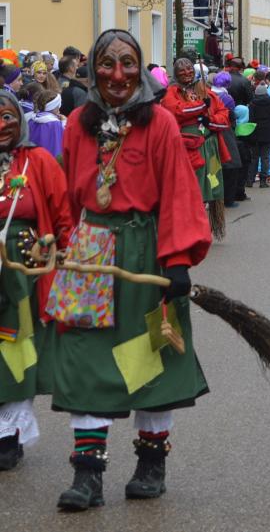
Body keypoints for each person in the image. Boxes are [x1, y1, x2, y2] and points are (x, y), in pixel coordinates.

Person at [52, 29, 210, 510]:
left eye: (127, 64)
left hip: (145, 249)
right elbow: (63, 190)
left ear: (140, 69)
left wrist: (178, 260)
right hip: (90, 251)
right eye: (106, 63)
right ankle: (87, 475)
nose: (116, 74)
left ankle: (150, 465)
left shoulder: (159, 123)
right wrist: (60, 244)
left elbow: (180, 191)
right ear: (91, 69)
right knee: (85, 357)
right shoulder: (78, 122)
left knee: (149, 358)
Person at [0, 89, 73, 472]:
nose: (1, 126)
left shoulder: (38, 162)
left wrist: (65, 255)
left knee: (16, 347)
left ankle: (7, 434)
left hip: (24, 276)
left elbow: (62, 215)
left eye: (8, 117)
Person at [161, 59, 231, 238]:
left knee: (212, 185)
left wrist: (211, 121)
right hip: (188, 148)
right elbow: (176, 111)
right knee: (192, 189)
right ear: (176, 74)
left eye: (189, 70)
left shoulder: (205, 91)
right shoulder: (171, 92)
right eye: (182, 71)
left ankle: (206, 225)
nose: (186, 73)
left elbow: (224, 115)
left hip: (210, 147)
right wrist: (200, 107)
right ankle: (189, 227)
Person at [246, 82, 270, 189]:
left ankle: (250, 180)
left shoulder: (252, 104)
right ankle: (263, 181)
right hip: (267, 134)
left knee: (254, 157)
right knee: (265, 157)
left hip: (255, 133)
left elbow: (250, 120)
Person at [28, 89, 65, 158]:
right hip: (49, 162)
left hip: (33, 160)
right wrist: (64, 122)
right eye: (58, 106)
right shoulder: (55, 124)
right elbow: (58, 148)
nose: (59, 109)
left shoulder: (32, 120)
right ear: (54, 106)